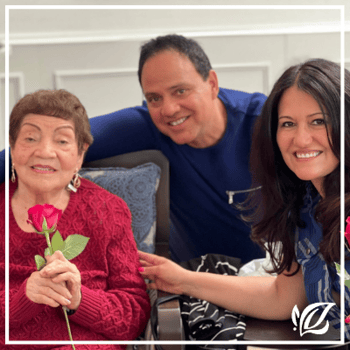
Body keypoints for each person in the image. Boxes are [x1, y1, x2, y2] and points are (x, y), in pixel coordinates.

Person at [0, 34, 267, 264]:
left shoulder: (265, 122)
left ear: (212, 83)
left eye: (181, 91)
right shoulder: (149, 126)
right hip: (196, 285)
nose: (169, 109)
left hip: (277, 279)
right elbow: (61, 138)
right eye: (154, 98)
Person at [138, 58, 350, 340]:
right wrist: (182, 279)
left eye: (318, 121)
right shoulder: (304, 206)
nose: (300, 139)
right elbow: (283, 297)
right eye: (288, 124)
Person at [0, 89, 150, 349]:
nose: (45, 151)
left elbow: (133, 316)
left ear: (80, 154)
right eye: (31, 138)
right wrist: (24, 297)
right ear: (12, 147)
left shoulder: (108, 211)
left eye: (62, 141)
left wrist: (79, 299)